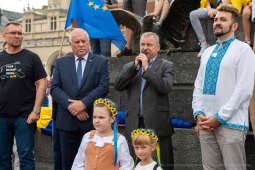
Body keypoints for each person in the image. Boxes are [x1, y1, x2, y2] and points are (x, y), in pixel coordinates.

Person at [192, 4, 255, 170]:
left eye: (223, 19)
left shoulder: (244, 51)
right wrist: (198, 113)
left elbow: (244, 90)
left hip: (231, 124)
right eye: (215, 19)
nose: (217, 22)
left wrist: (219, 117)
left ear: (234, 26)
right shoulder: (207, 52)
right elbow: (198, 85)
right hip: (205, 124)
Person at [50, 28, 109, 170]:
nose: (81, 44)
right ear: (71, 44)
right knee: (67, 164)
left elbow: (103, 87)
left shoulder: (100, 62)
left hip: (89, 121)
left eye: (84, 41)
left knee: (90, 163)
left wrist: (83, 104)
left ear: (89, 43)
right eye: (77, 42)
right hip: (66, 122)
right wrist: (72, 107)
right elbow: (55, 88)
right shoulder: (61, 62)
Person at [115, 32, 174, 170]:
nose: (145, 48)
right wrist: (133, 68)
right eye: (142, 44)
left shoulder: (166, 65)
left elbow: (165, 87)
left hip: (157, 124)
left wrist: (147, 68)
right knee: (135, 164)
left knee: (162, 163)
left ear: (158, 47)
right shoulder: (130, 67)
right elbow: (118, 85)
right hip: (135, 123)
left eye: (149, 45)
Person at [0, 22, 47, 169]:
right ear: (4, 35)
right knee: (2, 156)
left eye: (20, 33)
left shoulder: (32, 58)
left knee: (26, 155)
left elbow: (42, 83)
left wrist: (36, 110)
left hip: (25, 116)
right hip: (1, 116)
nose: (17, 36)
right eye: (13, 33)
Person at [71, 98, 134, 170]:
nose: (97, 121)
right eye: (94, 117)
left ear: (112, 119)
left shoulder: (119, 140)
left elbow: (126, 165)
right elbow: (79, 162)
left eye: (101, 117)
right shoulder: (88, 137)